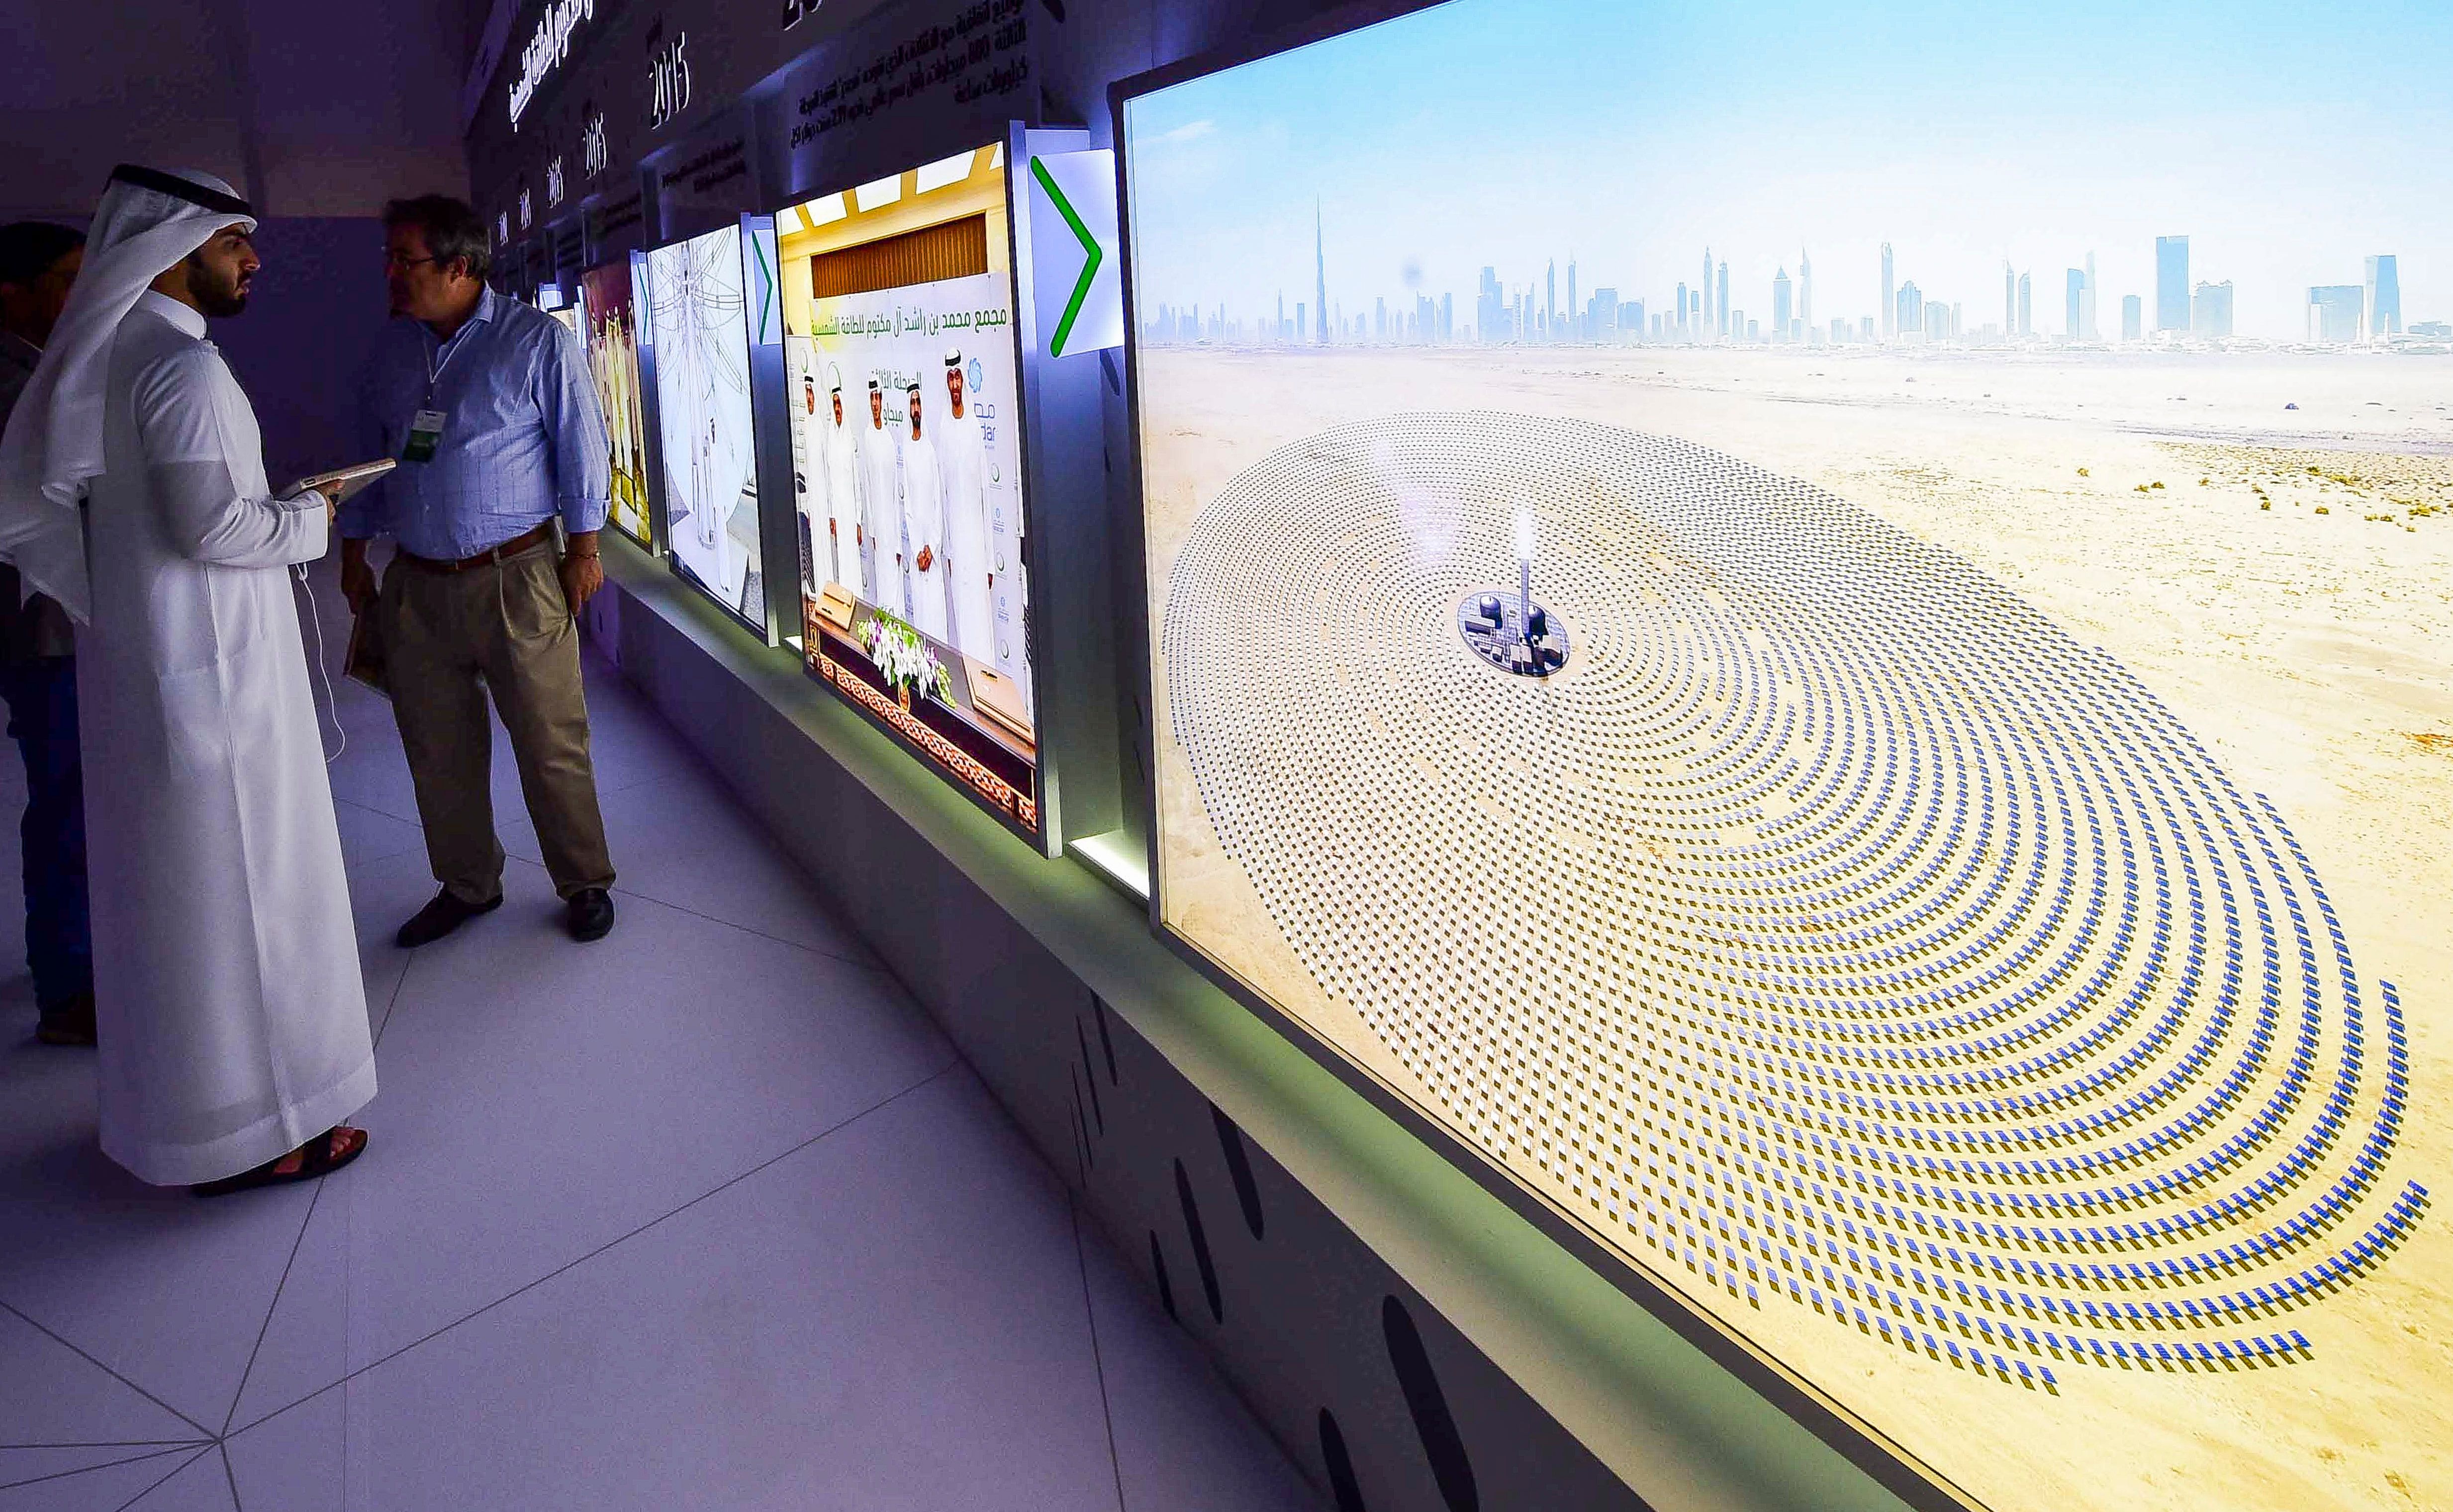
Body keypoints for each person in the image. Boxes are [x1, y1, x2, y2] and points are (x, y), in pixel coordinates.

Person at [0, 166, 371, 1193]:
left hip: (153, 671)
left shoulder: (116, 358)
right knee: (245, 901)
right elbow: (215, 526)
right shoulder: (182, 371)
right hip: (215, 684)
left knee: (174, 906)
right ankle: (264, 1129)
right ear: (171, 249)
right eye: (232, 241)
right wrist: (313, 516)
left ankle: (189, 1120)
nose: (253, 258)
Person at [342, 194, 617, 947]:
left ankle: (584, 880)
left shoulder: (535, 343)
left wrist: (584, 550)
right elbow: (373, 457)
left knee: (550, 739)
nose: (392, 274)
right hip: (419, 584)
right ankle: (468, 883)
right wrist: (355, 550)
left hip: (518, 575)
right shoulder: (392, 352)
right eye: (392, 259)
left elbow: (582, 449)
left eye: (408, 260)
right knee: (437, 748)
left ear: (460, 267)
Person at [0, 222, 93, 1047]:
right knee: (66, 802)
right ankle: (68, 991)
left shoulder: (43, 371)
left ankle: (72, 960)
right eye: (67, 277)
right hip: (43, 632)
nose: (80, 292)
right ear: (14, 292)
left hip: (64, 627)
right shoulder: (13, 385)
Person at [936, 350, 993, 662]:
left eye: (959, 377)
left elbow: (985, 493)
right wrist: (947, 550)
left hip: (977, 545)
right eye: (951, 379)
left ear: (963, 382)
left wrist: (988, 562)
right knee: (962, 616)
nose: (955, 384)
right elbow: (944, 495)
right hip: (956, 543)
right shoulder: (944, 429)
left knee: (980, 620)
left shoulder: (973, 428)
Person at [900, 380, 947, 642]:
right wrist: (918, 548)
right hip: (918, 554)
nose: (916, 408)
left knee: (937, 619)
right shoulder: (907, 451)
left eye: (918, 403)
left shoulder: (930, 451)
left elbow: (937, 505)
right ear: (908, 410)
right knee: (921, 620)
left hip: (933, 552)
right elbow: (908, 509)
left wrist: (931, 547)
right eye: (912, 404)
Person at [857, 378, 900, 615]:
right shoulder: (867, 437)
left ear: (882, 402)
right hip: (878, 529)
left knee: (895, 582)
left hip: (892, 526)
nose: (875, 403)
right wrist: (872, 528)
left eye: (878, 398)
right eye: (871, 399)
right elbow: (867, 482)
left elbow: (894, 491)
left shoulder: (889, 438)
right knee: (883, 580)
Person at [820, 380, 862, 599]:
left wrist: (859, 520)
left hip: (851, 515)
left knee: (853, 561)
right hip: (838, 511)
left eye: (840, 405)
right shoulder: (831, 440)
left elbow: (856, 481)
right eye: (834, 404)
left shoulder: (849, 440)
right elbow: (828, 481)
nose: (837, 409)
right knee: (842, 562)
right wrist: (831, 515)